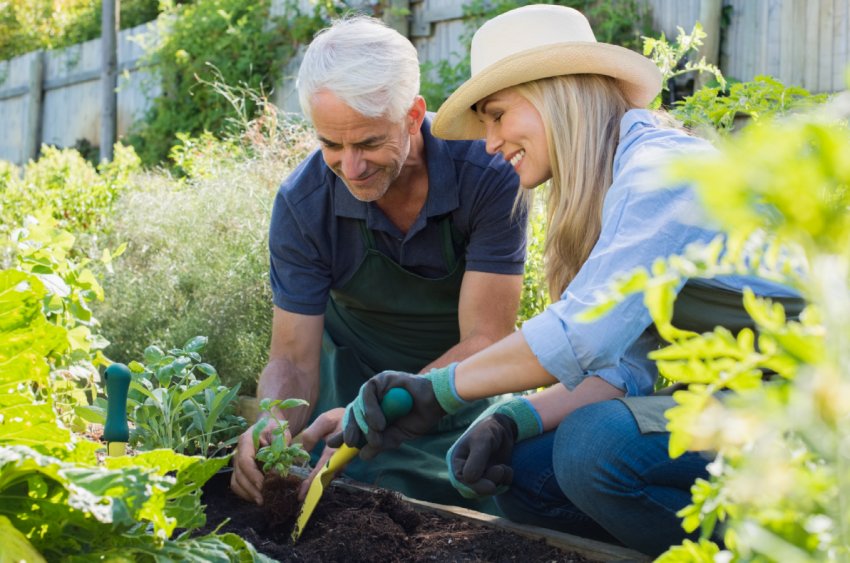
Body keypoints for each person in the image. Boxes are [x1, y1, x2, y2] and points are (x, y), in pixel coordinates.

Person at [331, 4, 805, 557]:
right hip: (734, 409)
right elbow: (630, 368)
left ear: (557, 93)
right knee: (522, 469)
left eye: (499, 114)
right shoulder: (613, 186)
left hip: (807, 415)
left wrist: (439, 390)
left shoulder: (663, 174)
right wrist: (514, 419)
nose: (489, 142)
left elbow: (582, 333)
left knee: (594, 446)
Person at [229, 15, 527, 509]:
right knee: (341, 504)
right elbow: (292, 359)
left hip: (456, 389)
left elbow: (486, 338)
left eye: (368, 142)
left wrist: (389, 409)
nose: (351, 167)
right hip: (344, 391)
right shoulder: (304, 205)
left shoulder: (486, 174)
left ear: (413, 116)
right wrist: (273, 423)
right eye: (330, 144)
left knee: (483, 506)